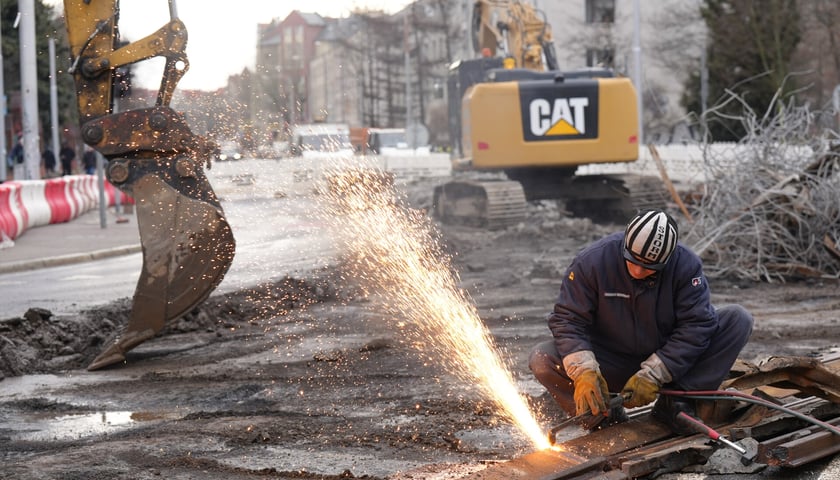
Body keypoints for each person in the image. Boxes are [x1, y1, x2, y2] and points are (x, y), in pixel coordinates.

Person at [529, 209, 753, 434]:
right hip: (611, 361)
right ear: (625, 244)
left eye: (649, 267)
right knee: (542, 358)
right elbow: (568, 319)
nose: (638, 271)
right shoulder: (593, 261)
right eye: (633, 261)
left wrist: (657, 372)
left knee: (737, 319)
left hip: (670, 361)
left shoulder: (686, 266)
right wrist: (584, 371)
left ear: (667, 260)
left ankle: (676, 404)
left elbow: (697, 325)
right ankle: (602, 416)